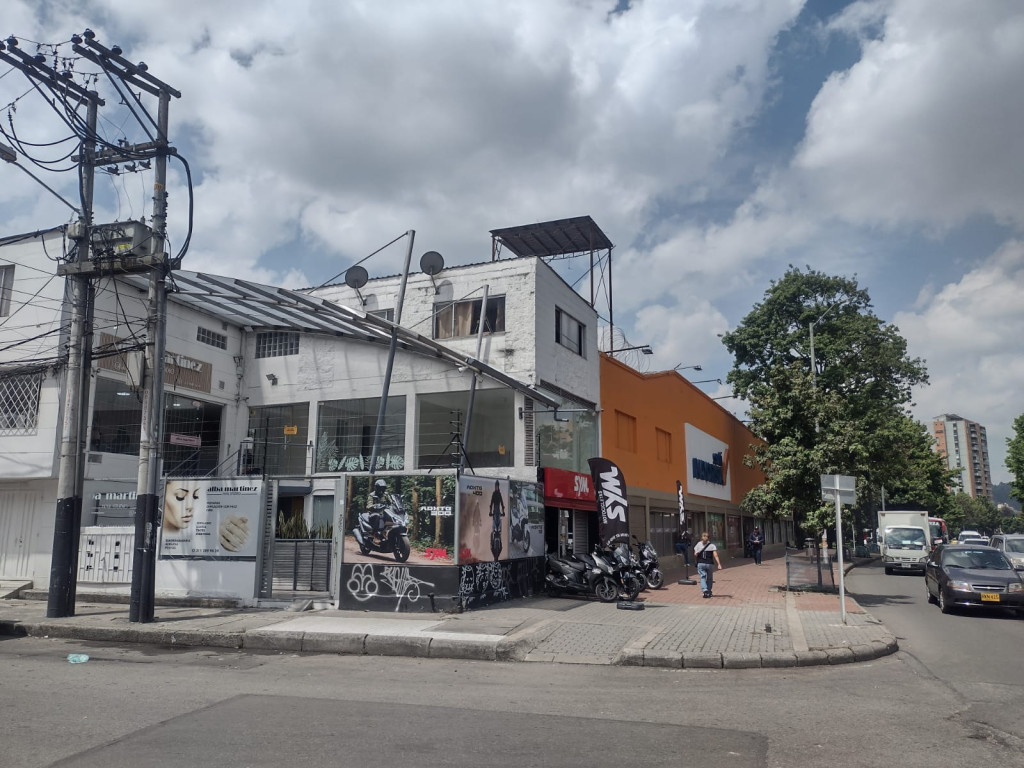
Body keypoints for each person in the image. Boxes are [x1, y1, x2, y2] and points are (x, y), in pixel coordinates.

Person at [694, 531, 722, 598]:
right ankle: (709, 592)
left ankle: (705, 590)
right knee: (709, 578)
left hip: (701, 563)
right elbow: (715, 555)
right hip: (709, 563)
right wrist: (719, 564)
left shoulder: (698, 544)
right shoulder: (712, 546)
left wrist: (697, 555)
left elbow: (695, 554)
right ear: (709, 538)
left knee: (702, 577)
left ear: (701, 537)